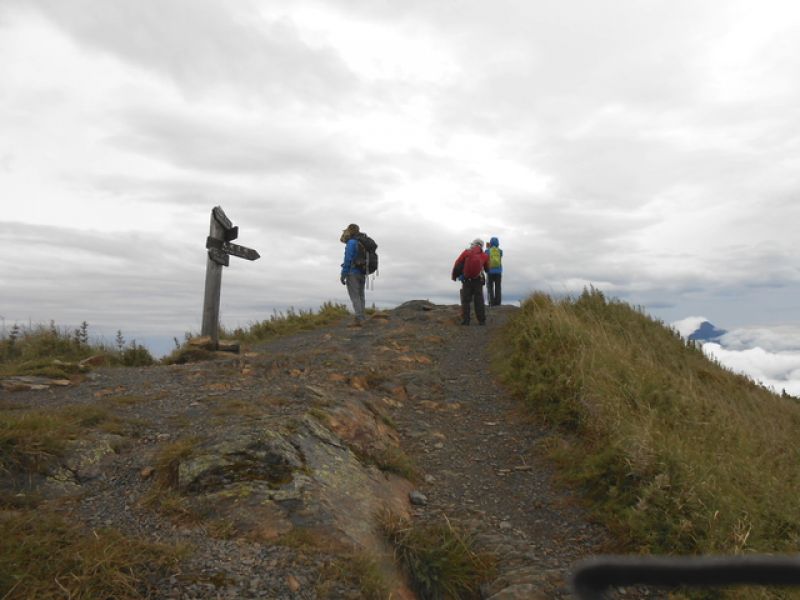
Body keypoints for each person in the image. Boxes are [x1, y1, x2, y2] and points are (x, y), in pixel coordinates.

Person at [452, 238, 489, 325]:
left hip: (466, 280)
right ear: (481, 246)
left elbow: (457, 264)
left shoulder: (466, 252)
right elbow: (487, 269)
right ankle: (481, 321)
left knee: (466, 300)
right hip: (478, 280)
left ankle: (466, 321)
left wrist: (455, 276)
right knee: (479, 300)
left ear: (473, 244)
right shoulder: (484, 255)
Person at [340, 223, 366, 326]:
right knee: (361, 296)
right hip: (362, 273)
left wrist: (343, 274)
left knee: (355, 296)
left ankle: (359, 319)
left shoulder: (351, 243)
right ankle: (362, 317)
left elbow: (348, 259)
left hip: (352, 273)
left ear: (350, 231)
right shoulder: (362, 242)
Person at [485, 237, 503, 306]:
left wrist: (488, 248)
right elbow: (501, 256)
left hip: (490, 271)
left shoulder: (487, 251)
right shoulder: (500, 251)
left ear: (490, 243)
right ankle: (498, 303)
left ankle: (491, 302)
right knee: (498, 287)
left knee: (490, 287)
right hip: (498, 271)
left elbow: (485, 258)